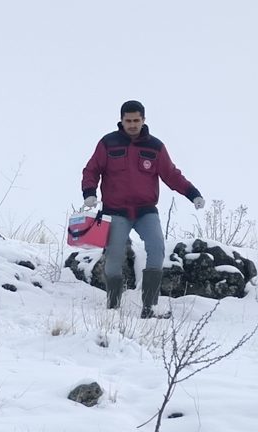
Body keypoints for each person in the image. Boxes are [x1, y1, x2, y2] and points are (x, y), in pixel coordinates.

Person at [81, 100, 204, 319]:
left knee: (157, 248)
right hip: (116, 211)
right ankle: (113, 307)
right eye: (128, 121)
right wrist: (89, 192)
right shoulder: (108, 143)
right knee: (114, 257)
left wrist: (193, 193)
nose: (132, 124)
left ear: (144, 120)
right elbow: (91, 170)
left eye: (136, 120)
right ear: (121, 120)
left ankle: (150, 308)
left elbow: (171, 174)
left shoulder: (155, 147)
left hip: (145, 211)